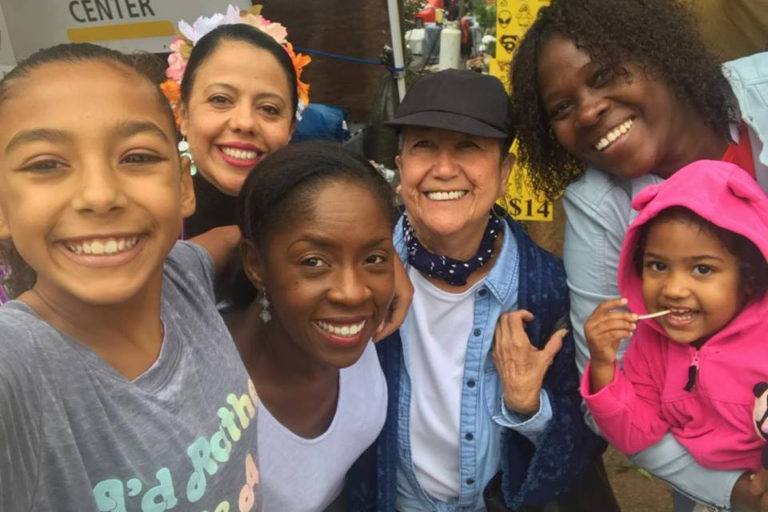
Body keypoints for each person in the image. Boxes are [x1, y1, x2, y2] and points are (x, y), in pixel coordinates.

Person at [510, 0, 768, 508]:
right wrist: (732, 490)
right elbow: (614, 384)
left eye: (605, 74)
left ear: (661, 55)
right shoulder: (599, 205)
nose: (587, 110)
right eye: (561, 108)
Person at [0, 43, 260, 511]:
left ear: (183, 185)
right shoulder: (18, 370)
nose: (99, 195)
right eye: (46, 164)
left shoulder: (182, 276)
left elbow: (227, 238)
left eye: (137, 157)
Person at [346, 69, 608, 512]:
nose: (444, 169)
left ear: (505, 171)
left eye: (468, 146)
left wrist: (528, 406)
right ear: (401, 165)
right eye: (423, 145)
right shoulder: (356, 275)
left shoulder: (546, 290)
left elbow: (590, 433)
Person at [164, 12, 410, 338]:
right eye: (221, 100)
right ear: (182, 112)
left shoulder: (307, 206)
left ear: (291, 128)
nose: (245, 122)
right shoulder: (148, 212)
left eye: (269, 108)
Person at [233, 141, 396, 511]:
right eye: (313, 261)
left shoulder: (373, 336)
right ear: (257, 265)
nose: (353, 293)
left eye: (373, 258)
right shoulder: (205, 385)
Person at [582, 160, 768, 473]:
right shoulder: (651, 346)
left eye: (702, 269)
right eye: (657, 265)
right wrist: (603, 366)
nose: (674, 289)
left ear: (749, 278)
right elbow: (636, 434)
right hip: (707, 492)